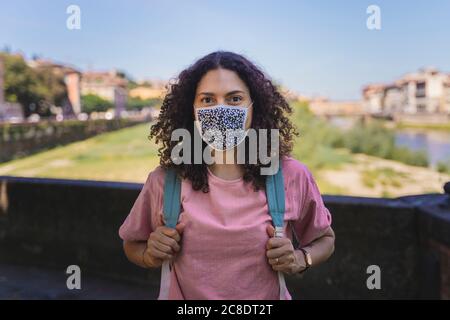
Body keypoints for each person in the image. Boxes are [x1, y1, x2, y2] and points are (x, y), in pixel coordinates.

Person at [119, 51, 335, 300]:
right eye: (208, 100)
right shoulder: (165, 181)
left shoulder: (290, 175)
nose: (221, 110)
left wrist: (300, 258)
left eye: (234, 98)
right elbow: (131, 244)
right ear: (192, 109)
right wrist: (148, 255)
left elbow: (325, 240)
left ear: (255, 106)